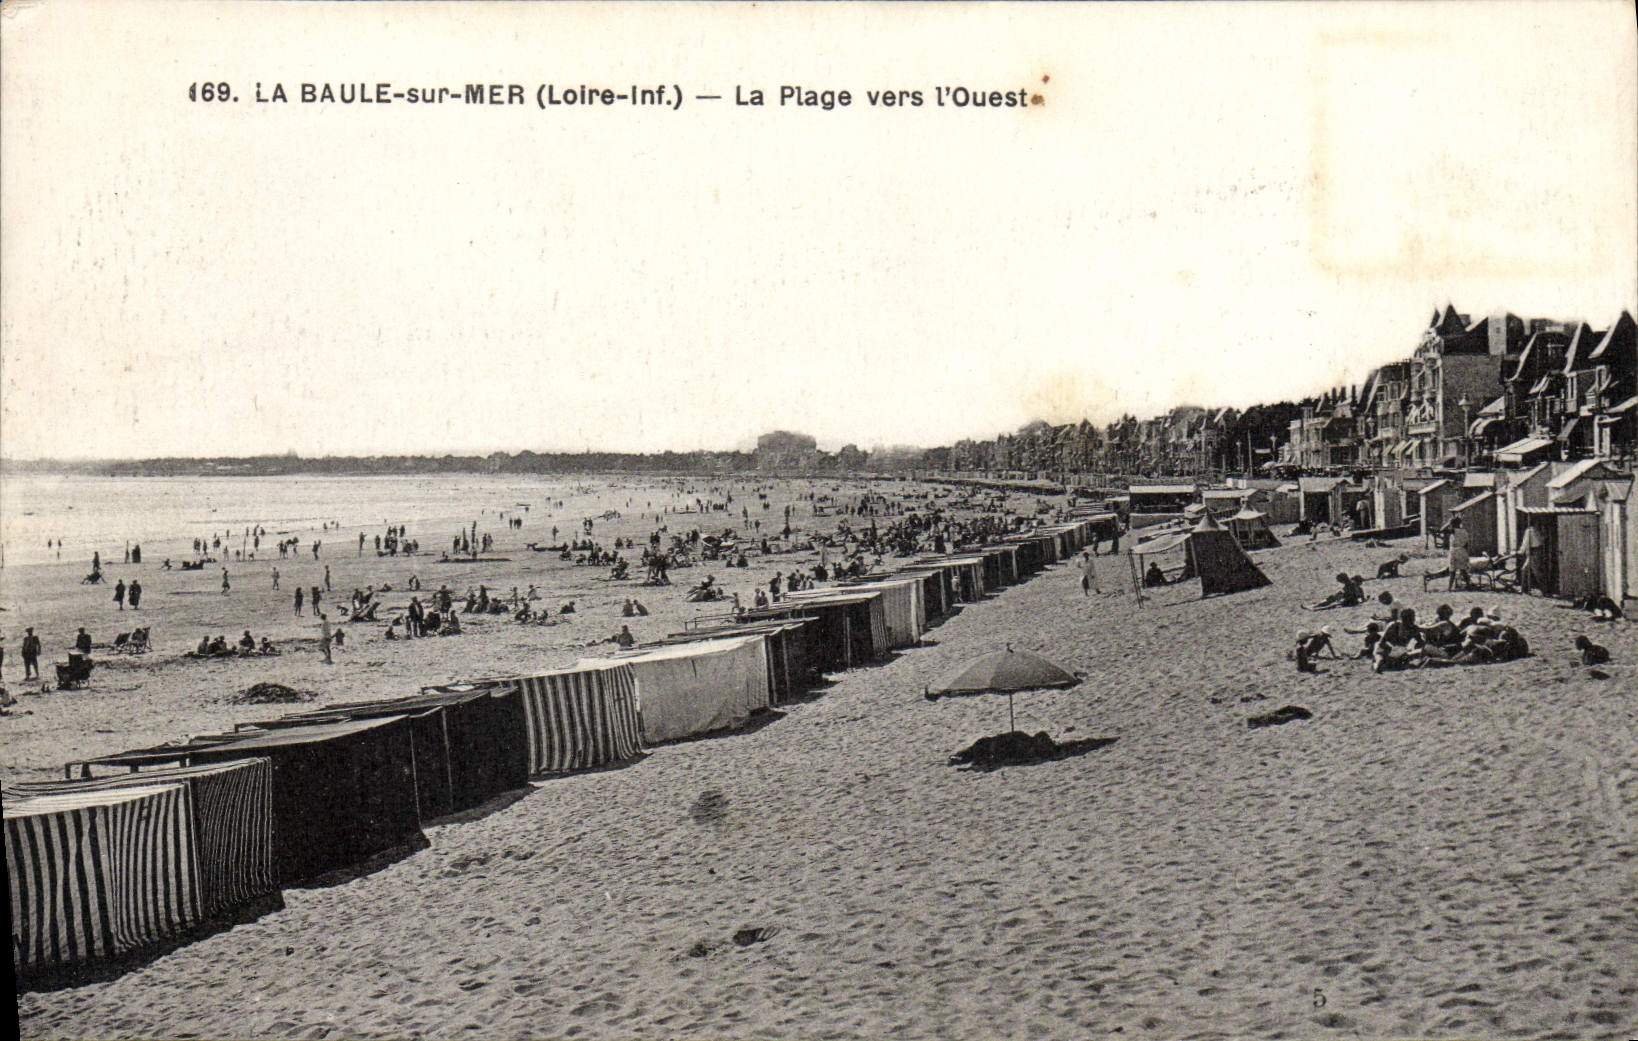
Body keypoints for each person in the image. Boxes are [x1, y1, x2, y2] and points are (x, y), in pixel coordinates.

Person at [1446, 517, 1471, 591]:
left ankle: (1449, 587)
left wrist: (1449, 523)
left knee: (1452, 570)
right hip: (1462, 550)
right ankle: (1468, 585)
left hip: (1454, 550)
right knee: (1463, 570)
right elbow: (1467, 544)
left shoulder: (1454, 531)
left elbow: (1443, 530)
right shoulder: (1464, 531)